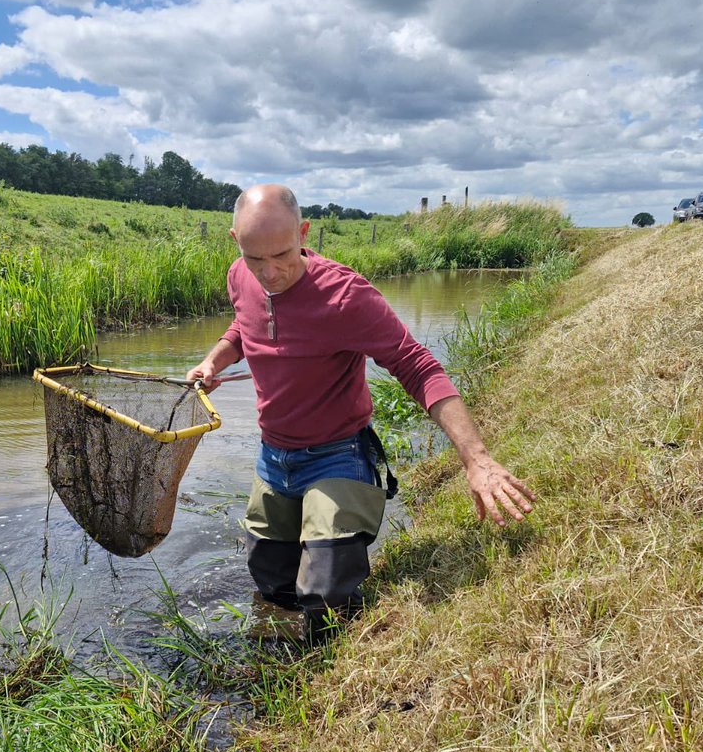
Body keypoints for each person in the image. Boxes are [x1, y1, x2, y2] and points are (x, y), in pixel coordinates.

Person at [187, 183, 536, 643]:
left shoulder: (346, 296)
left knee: (327, 594)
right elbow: (242, 324)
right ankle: (279, 662)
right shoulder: (239, 275)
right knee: (270, 579)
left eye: (283, 255)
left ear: (304, 232)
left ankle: (327, 667)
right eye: (257, 259)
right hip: (273, 455)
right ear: (236, 242)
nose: (270, 273)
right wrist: (215, 360)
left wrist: (477, 459)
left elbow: (418, 365)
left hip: (337, 453)